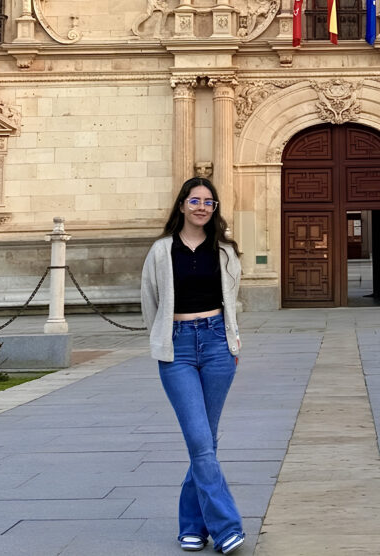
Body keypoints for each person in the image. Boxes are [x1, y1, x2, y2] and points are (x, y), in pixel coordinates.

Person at [141, 177, 245, 554]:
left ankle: (191, 526)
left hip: (218, 344)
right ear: (182, 204)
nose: (202, 207)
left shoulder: (226, 252)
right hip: (178, 348)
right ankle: (226, 525)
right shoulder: (161, 251)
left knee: (206, 443)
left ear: (214, 209)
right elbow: (150, 302)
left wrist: (231, 342)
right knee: (201, 441)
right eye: (195, 200)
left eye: (209, 202)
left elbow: (232, 301)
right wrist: (164, 338)